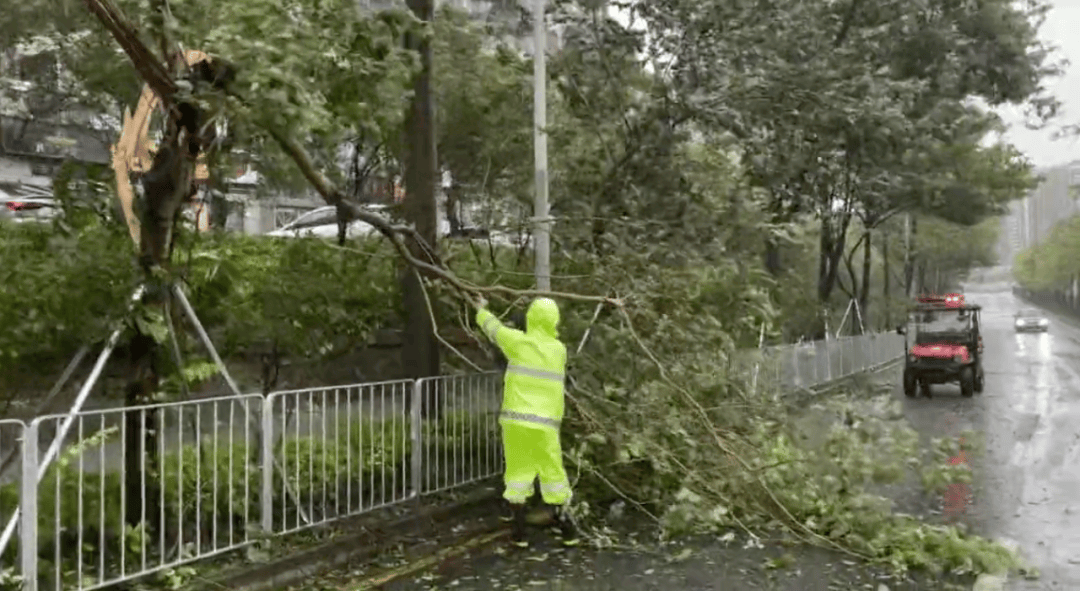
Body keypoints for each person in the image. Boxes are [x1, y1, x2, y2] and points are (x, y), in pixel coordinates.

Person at [473, 295, 578, 548]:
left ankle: (519, 535)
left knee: (518, 474)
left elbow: (493, 329)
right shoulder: (559, 351)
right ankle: (568, 531)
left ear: (530, 318)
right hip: (545, 426)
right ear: (554, 321)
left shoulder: (518, 343)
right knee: (553, 474)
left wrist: (480, 309)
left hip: (516, 422)